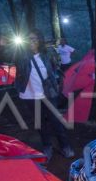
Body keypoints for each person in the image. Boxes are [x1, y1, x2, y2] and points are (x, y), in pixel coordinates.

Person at [14, 30, 74, 161]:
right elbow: (10, 58)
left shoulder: (47, 55)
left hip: (47, 94)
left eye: (34, 39)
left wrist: (57, 85)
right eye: (28, 39)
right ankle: (47, 146)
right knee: (40, 123)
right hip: (29, 95)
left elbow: (55, 71)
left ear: (40, 41)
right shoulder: (22, 56)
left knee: (55, 121)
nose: (31, 42)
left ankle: (65, 146)